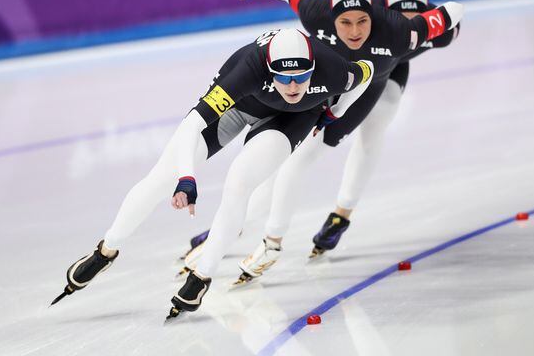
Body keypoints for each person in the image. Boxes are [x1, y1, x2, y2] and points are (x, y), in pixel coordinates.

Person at [50, 27, 375, 315]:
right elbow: (192, 124)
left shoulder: (333, 70)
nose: (292, 86)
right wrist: (186, 177)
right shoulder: (247, 69)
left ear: (313, 69)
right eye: (283, 77)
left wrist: (334, 112)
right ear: (269, 69)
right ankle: (106, 251)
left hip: (290, 120)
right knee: (161, 178)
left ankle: (202, 276)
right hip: (240, 105)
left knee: (238, 182)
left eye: (301, 77)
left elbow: (368, 72)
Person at [180, 0, 465, 285]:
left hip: (378, 76)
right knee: (288, 158)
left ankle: (339, 215)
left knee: (373, 131)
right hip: (333, 78)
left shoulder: (416, 32)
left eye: (417, 20)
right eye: (348, 23)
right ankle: (238, 225)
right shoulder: (328, 15)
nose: (354, 30)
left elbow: (452, 13)